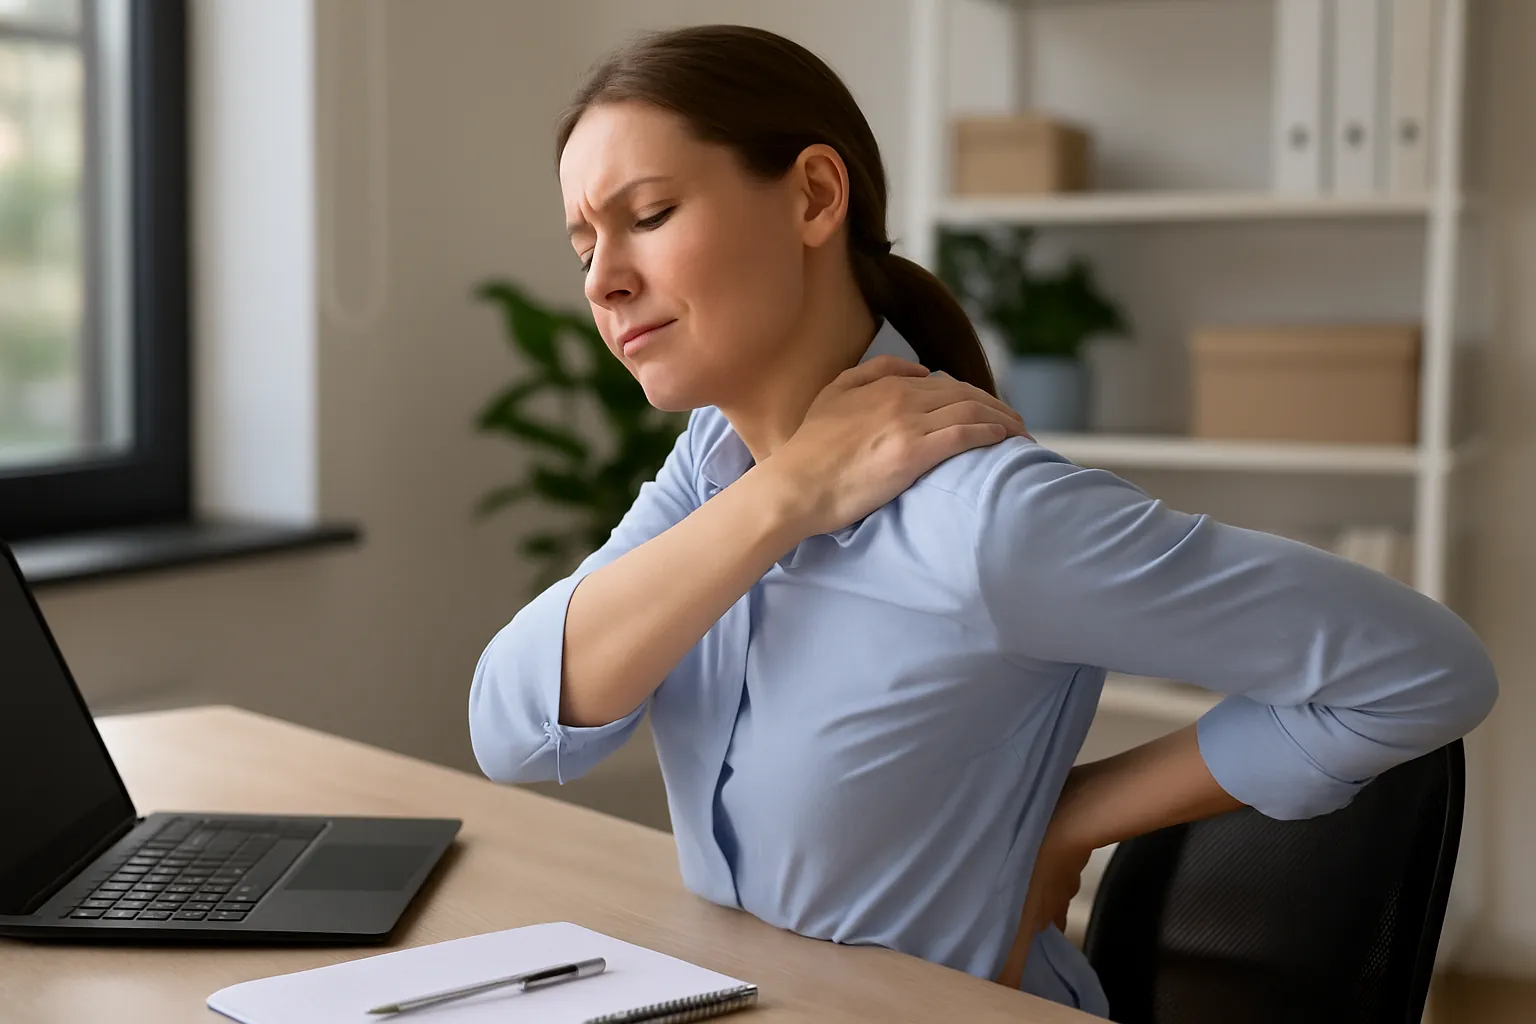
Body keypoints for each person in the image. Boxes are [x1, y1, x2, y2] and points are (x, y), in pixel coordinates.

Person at [468, 24, 1498, 1016]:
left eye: (647, 215)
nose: (603, 280)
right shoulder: (715, 471)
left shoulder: (988, 526)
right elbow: (514, 731)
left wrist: (1066, 822)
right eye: (584, 240)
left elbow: (1425, 668)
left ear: (816, 196)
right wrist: (789, 496)